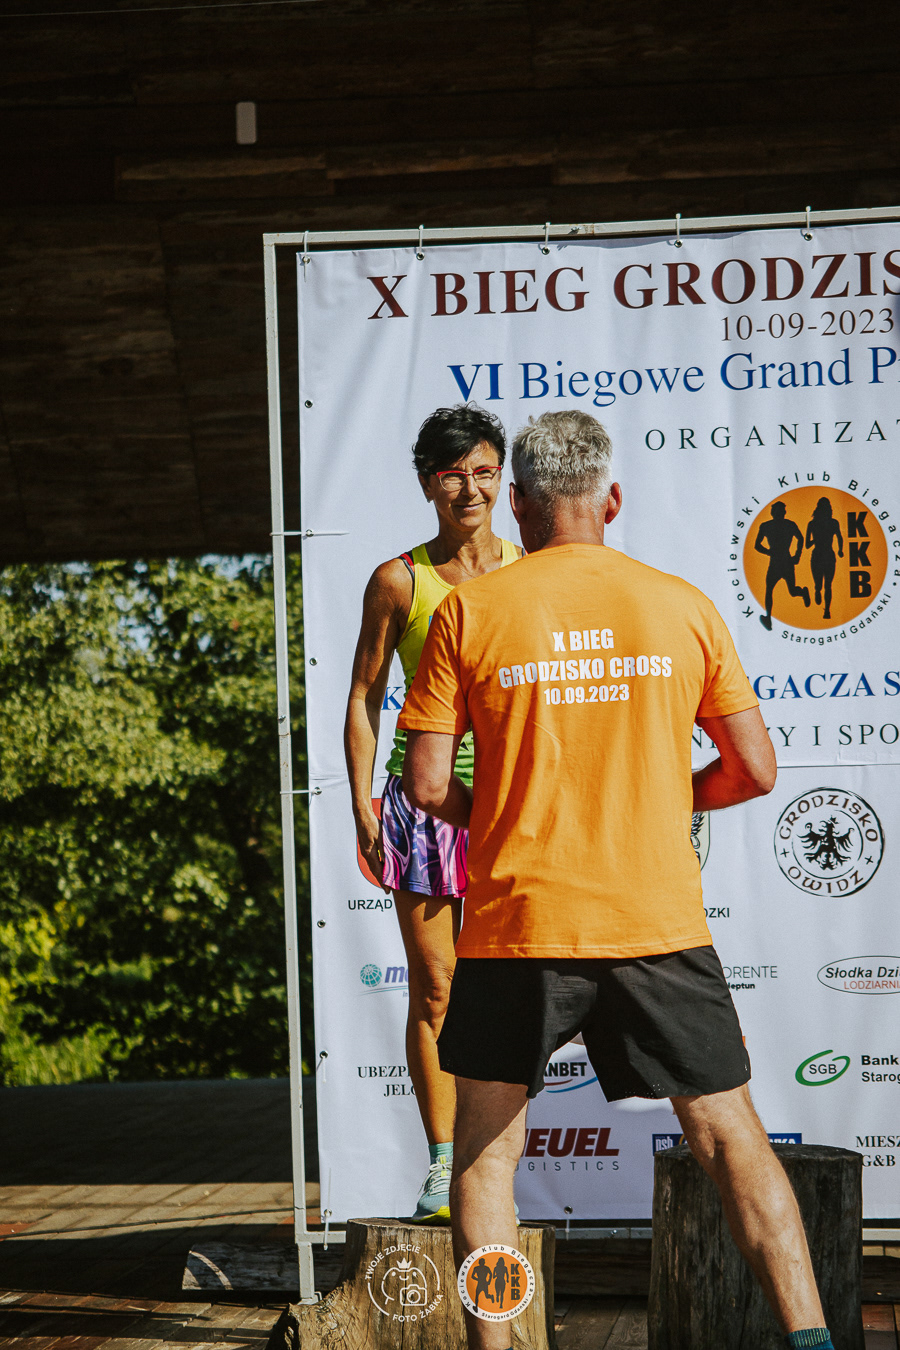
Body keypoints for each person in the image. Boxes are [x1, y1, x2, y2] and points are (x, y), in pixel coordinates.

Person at [399, 410, 835, 1350]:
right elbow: (755, 771)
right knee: (733, 1139)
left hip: (519, 923)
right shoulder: (682, 605)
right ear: (612, 500)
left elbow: (427, 785)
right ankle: (811, 1340)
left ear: (519, 503)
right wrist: (662, 797)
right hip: (655, 920)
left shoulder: (470, 610)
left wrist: (504, 812)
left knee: (486, 1159)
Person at [344, 403, 520, 1224]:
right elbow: (363, 696)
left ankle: (495, 1162)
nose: (470, 489)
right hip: (423, 806)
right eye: (453, 475)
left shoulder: (530, 569)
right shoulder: (399, 580)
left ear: (502, 480)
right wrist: (360, 801)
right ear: (427, 484)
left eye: (484, 472)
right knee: (438, 987)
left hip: (514, 805)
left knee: (520, 989)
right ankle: (445, 1161)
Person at [754, 500, 810, 630]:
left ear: (783, 513)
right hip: (776, 562)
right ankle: (768, 617)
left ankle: (803, 592)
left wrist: (797, 555)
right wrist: (769, 552)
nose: (779, 514)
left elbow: (800, 538)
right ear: (773, 513)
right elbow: (757, 545)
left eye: (780, 511)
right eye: (777, 511)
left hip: (786, 561)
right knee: (769, 590)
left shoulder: (789, 525)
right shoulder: (766, 526)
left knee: (792, 591)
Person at [805, 497, 844, 620]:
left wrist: (840, 550)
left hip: (828, 556)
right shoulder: (812, 524)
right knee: (819, 584)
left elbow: (839, 537)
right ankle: (817, 590)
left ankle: (827, 610)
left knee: (828, 585)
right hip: (817, 556)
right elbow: (807, 545)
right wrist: (816, 540)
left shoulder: (833, 523)